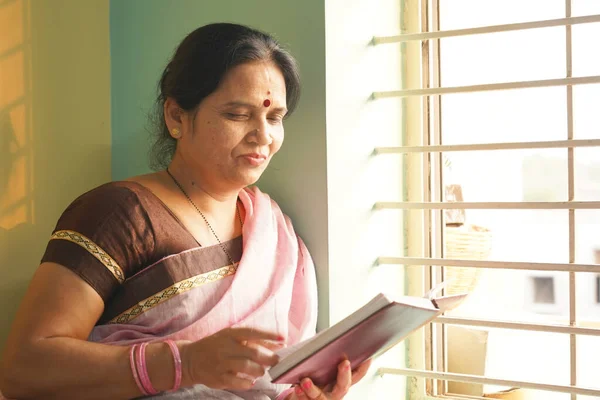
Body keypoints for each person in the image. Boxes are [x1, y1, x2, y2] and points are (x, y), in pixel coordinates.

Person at [0, 23, 370, 399]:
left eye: (274, 117)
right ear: (176, 116)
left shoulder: (271, 230)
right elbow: (23, 368)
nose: (263, 135)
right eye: (237, 115)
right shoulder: (119, 215)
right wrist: (184, 364)